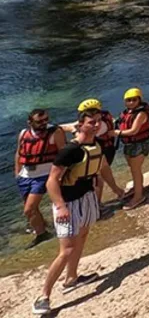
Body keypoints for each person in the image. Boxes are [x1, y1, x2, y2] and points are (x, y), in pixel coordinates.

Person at [32, 108, 106, 315]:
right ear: (80, 124)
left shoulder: (94, 144)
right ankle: (44, 296)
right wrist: (61, 206)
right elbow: (51, 181)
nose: (96, 125)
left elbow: (97, 170)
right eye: (91, 122)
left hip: (86, 197)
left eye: (98, 121)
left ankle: (71, 278)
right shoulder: (70, 150)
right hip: (68, 203)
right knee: (67, 250)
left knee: (83, 235)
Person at [15, 109, 65, 248]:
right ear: (30, 122)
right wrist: (17, 173)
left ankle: (45, 233)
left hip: (44, 176)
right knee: (32, 209)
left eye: (46, 120)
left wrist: (60, 174)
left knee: (29, 209)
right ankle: (42, 232)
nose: (44, 123)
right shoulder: (23, 133)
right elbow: (18, 154)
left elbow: (63, 154)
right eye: (39, 121)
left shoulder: (55, 132)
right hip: (25, 176)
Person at [62, 100, 124, 205]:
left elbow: (83, 137)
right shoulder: (103, 118)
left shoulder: (99, 125)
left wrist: (73, 131)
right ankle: (117, 191)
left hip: (101, 151)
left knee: (97, 177)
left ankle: (98, 203)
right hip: (102, 150)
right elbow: (73, 125)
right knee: (104, 173)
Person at [116, 89, 149, 210]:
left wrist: (116, 133)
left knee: (136, 170)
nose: (131, 102)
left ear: (139, 100)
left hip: (139, 144)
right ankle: (137, 188)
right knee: (133, 168)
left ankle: (138, 196)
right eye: (128, 100)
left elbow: (134, 131)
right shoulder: (127, 112)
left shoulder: (141, 114)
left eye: (134, 100)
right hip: (129, 144)